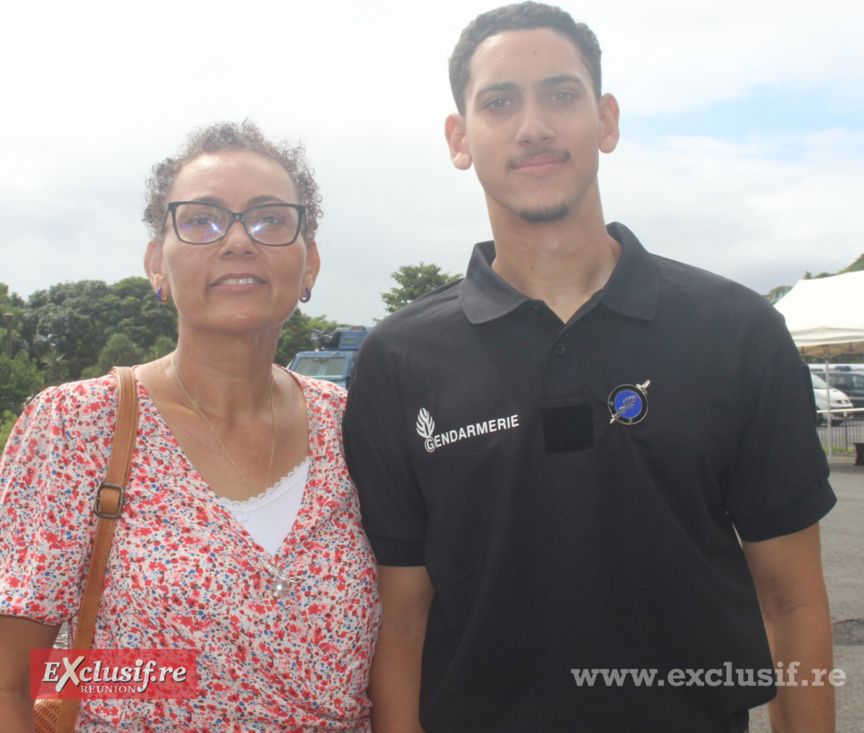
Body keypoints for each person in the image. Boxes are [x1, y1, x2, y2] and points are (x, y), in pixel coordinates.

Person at [342, 4, 836, 732]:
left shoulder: (738, 330)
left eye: (561, 94)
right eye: (500, 101)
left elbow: (790, 600)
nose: (534, 124)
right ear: (460, 137)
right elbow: (402, 618)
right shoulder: (398, 358)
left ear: (605, 121)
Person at [0, 121, 381, 731]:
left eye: (270, 220)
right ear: (157, 263)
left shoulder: (353, 428)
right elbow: (10, 683)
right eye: (201, 219)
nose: (237, 241)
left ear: (308, 264)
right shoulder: (77, 426)